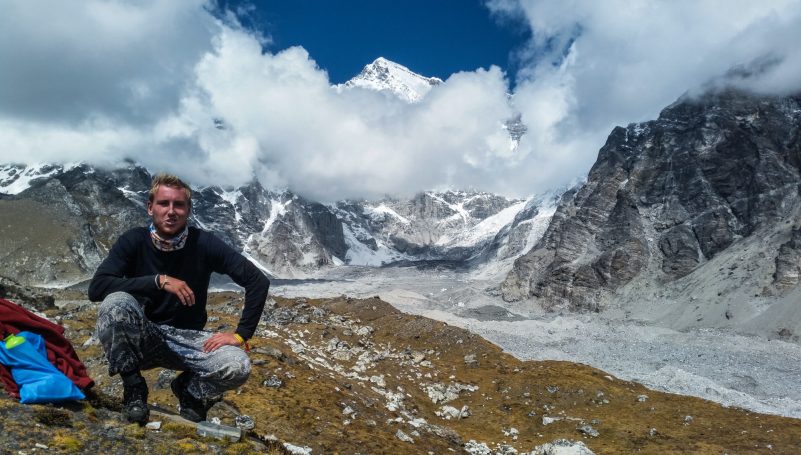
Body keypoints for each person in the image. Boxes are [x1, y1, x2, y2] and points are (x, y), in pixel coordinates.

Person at [88, 173, 270, 424]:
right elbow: (97, 288)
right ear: (150, 207)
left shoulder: (204, 243)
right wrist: (157, 280)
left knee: (238, 365)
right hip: (143, 336)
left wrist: (241, 335)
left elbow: (257, 280)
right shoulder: (133, 241)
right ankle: (134, 390)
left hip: (188, 340)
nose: (171, 211)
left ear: (188, 210)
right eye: (164, 203)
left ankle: (191, 392)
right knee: (115, 302)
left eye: (179, 205)